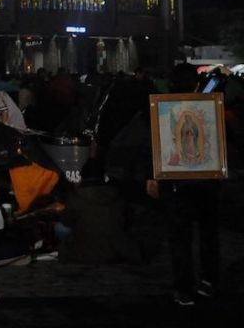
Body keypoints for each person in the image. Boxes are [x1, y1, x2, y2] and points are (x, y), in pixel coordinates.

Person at [147, 63, 221, 306]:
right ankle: (209, 281)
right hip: (207, 182)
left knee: (180, 237)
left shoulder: (164, 109)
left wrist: (153, 176)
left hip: (176, 182)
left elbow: (156, 145)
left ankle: (184, 288)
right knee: (208, 234)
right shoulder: (208, 107)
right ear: (196, 83)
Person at [57, 158, 142, 264]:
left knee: (60, 227)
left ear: (83, 176)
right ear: (103, 176)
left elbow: (67, 222)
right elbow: (128, 219)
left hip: (83, 252)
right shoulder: (117, 194)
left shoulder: (76, 196)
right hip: (116, 250)